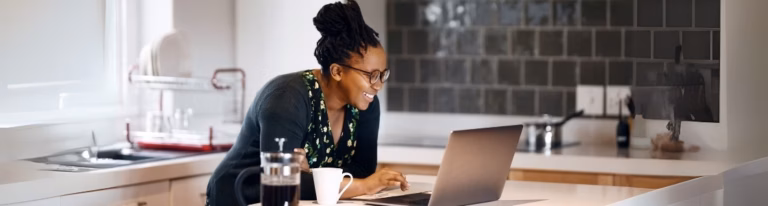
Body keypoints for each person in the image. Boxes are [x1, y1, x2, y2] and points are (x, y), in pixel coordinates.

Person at [205, 1, 409, 205]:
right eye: (372, 75)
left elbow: (363, 169)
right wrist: (363, 186)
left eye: (383, 75)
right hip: (239, 198)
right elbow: (282, 181)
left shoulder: (366, 104)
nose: (379, 85)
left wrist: (311, 174)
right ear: (338, 71)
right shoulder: (287, 99)